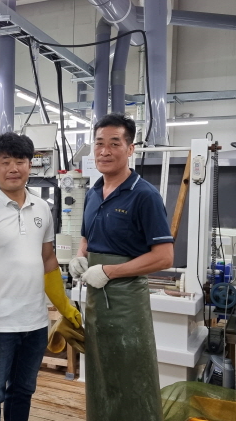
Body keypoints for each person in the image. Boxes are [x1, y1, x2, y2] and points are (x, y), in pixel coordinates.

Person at [0, 132, 81, 421]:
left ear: (30, 165)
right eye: (5, 162)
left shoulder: (42, 208)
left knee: (23, 391)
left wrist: (64, 306)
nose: (13, 168)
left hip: (36, 323)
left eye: (20, 161)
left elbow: (48, 261)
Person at [69, 113, 174, 421]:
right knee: (101, 372)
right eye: (99, 143)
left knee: (131, 373)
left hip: (126, 302)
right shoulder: (93, 192)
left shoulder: (144, 195)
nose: (105, 151)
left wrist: (109, 271)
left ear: (130, 149)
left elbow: (164, 257)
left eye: (115, 143)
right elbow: (86, 237)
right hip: (96, 301)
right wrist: (80, 256)